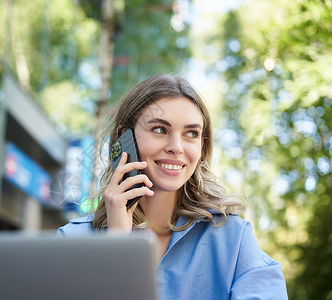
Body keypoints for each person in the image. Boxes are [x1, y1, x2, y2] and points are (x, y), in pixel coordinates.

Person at [57, 74, 288, 299]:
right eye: (159, 129)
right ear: (124, 138)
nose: (176, 147)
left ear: (201, 146)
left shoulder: (233, 239)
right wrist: (117, 244)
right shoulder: (72, 240)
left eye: (191, 133)